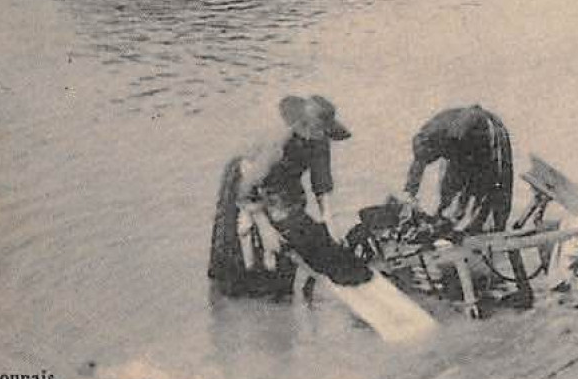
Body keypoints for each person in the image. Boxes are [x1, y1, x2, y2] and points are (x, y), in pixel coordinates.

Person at [207, 94, 369, 299]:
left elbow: (321, 184)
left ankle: (280, 293)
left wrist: (330, 224)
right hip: (247, 178)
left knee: (294, 233)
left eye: (323, 133)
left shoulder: (320, 139)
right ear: (304, 128)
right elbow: (247, 189)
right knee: (250, 251)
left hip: (284, 182)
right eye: (316, 132)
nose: (320, 137)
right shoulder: (278, 145)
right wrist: (265, 228)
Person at [401, 105, 515, 233]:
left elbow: (464, 174)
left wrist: (454, 215)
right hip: (458, 135)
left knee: (487, 186)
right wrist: (410, 195)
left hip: (483, 131)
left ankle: (490, 228)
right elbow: (419, 164)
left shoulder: (457, 136)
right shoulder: (425, 138)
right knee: (451, 190)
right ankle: (450, 219)